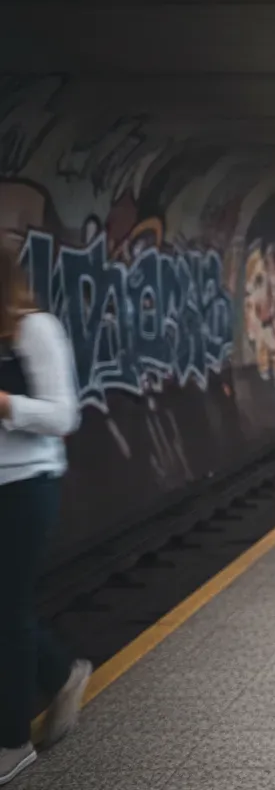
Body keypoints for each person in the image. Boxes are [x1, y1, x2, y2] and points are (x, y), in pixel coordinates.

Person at [0, 241, 91, 786]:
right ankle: (60, 672)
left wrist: (7, 405)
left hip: (27, 486)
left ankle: (11, 743)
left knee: (7, 613)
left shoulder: (35, 331)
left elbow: (65, 415)